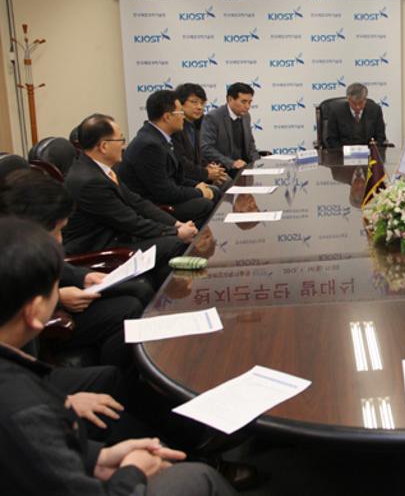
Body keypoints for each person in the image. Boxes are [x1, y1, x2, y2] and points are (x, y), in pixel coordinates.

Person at [0, 217, 236, 496]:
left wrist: (97, 459)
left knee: (108, 378)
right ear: (34, 311)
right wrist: (134, 470)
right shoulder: (24, 408)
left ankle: (187, 440)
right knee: (199, 480)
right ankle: (190, 456)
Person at [0, 171, 146, 366]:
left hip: (49, 301)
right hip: (32, 337)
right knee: (127, 310)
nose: (60, 240)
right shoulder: (11, 251)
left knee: (134, 292)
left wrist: (82, 277)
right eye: (57, 231)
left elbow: (54, 265)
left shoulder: (15, 237)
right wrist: (59, 298)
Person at [62, 114, 195, 288]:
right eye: (121, 140)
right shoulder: (90, 181)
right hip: (98, 248)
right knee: (174, 244)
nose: (124, 146)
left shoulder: (101, 170)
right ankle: (165, 302)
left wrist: (176, 223)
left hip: (117, 235)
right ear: (103, 146)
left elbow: (136, 202)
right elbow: (131, 221)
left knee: (174, 241)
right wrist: (175, 233)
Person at [119, 90, 218, 229]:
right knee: (205, 203)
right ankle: (192, 242)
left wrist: (197, 185)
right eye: (180, 113)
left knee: (213, 191)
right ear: (167, 117)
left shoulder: (160, 137)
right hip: (153, 205)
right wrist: (199, 192)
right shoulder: (149, 145)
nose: (183, 118)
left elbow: (176, 175)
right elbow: (165, 192)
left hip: (166, 194)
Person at [173, 83, 230, 187]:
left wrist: (209, 167)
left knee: (225, 180)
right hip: (183, 181)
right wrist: (206, 173)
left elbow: (198, 157)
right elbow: (181, 163)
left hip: (197, 174)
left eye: (202, 103)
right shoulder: (175, 128)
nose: (200, 107)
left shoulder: (198, 124)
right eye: (194, 102)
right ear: (179, 103)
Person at [200, 82, 260, 174]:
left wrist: (258, 163)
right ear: (230, 99)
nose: (248, 106)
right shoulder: (213, 117)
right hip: (224, 169)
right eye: (243, 102)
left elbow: (250, 145)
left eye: (250, 102)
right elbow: (206, 148)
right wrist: (231, 163)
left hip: (245, 168)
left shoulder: (246, 116)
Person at [324, 82, 387, 149]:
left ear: (365, 100)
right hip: (343, 153)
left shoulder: (375, 110)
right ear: (348, 99)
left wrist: (373, 148)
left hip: (369, 153)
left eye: (361, 103)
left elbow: (381, 136)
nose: (357, 107)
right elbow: (331, 139)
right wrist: (343, 152)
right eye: (354, 103)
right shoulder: (336, 112)